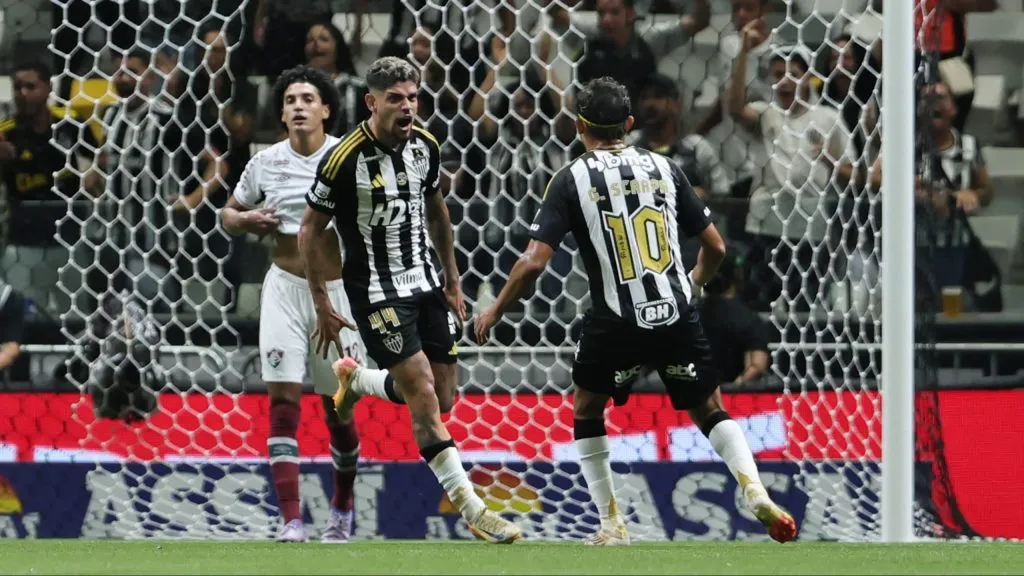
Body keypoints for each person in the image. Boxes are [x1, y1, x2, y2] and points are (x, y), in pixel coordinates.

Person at [473, 77, 797, 546]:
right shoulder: (665, 167)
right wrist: (692, 285)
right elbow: (717, 247)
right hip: (676, 312)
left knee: (587, 406)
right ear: (628, 124)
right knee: (709, 406)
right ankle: (754, 489)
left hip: (615, 319)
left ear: (579, 125)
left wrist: (495, 310)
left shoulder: (571, 177)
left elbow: (533, 263)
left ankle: (611, 524)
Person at [300, 56, 521, 545]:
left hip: (425, 283)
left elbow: (437, 210)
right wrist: (320, 300)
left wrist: (454, 279)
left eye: (413, 97)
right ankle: (475, 510)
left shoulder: (426, 147)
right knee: (421, 391)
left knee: (443, 399)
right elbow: (309, 229)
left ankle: (359, 379)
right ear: (372, 102)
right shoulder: (343, 160)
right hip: (376, 292)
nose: (407, 107)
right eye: (396, 98)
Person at [220, 65, 393, 543]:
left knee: (338, 409)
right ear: (282, 112)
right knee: (281, 402)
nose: (298, 105)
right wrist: (245, 218)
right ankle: (291, 521)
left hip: (338, 297)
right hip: (283, 289)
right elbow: (227, 212)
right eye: (290, 99)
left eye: (307, 99)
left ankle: (341, 507)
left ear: (326, 110)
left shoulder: (348, 156)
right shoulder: (265, 162)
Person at [0, 60, 99, 313]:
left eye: (30, 86)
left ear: (47, 88)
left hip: (70, 241)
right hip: (23, 245)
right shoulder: (5, 133)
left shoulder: (72, 124)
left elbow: (99, 168)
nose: (23, 94)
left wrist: (91, 175)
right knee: (23, 318)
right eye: (18, 87)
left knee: (78, 317)